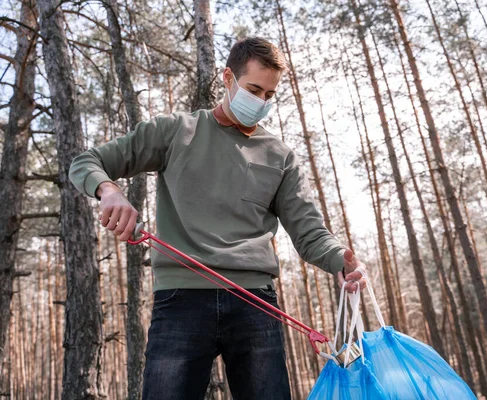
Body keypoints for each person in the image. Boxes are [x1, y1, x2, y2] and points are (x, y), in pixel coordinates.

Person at [69, 37, 367, 399]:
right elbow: (87, 161)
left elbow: (309, 232)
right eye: (254, 89)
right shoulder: (176, 130)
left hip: (255, 302)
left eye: (269, 96)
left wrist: (340, 258)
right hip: (180, 299)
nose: (260, 102)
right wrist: (110, 191)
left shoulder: (280, 156)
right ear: (228, 78)